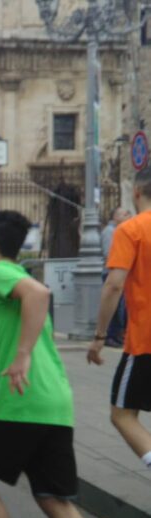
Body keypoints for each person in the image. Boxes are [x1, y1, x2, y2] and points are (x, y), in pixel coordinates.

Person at [0, 211, 93, 518]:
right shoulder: (15, 273)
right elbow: (25, 304)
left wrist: (21, 355)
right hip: (55, 402)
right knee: (54, 499)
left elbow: (39, 294)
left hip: (20, 401)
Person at [88, 167, 151, 475]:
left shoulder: (131, 230)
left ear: (136, 192)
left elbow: (114, 285)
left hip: (145, 341)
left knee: (122, 414)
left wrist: (99, 336)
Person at [101, 207, 132, 347]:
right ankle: (111, 335)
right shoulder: (110, 231)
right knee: (115, 306)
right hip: (112, 272)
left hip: (119, 272)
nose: (128, 215)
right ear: (115, 217)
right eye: (124, 213)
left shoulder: (124, 230)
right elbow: (109, 253)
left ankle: (117, 335)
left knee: (120, 307)